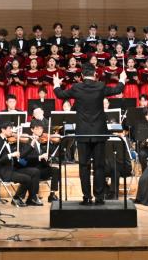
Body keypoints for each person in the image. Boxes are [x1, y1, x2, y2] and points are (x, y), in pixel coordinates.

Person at [53, 63, 126, 205]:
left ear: (81, 76)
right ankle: (99, 197)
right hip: (99, 133)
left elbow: (60, 94)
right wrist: (122, 78)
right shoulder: (100, 86)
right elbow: (117, 89)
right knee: (99, 166)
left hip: (83, 133)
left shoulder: (77, 87)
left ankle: (86, 197)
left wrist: (56, 84)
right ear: (95, 74)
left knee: (83, 166)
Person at [0, 124, 42, 206]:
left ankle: (32, 198)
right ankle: (16, 198)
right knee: (27, 178)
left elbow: (21, 155)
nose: (12, 130)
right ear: (3, 130)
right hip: (4, 171)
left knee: (35, 171)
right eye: (10, 128)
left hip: (13, 168)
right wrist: (11, 155)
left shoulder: (7, 140)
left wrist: (31, 144)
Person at [28, 120, 62, 202]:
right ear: (32, 130)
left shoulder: (42, 141)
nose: (40, 131)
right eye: (37, 129)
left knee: (55, 170)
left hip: (41, 168)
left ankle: (52, 194)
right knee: (36, 172)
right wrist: (40, 157)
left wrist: (48, 157)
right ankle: (33, 196)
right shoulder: (28, 141)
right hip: (32, 168)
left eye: (41, 129)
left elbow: (51, 152)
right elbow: (28, 157)